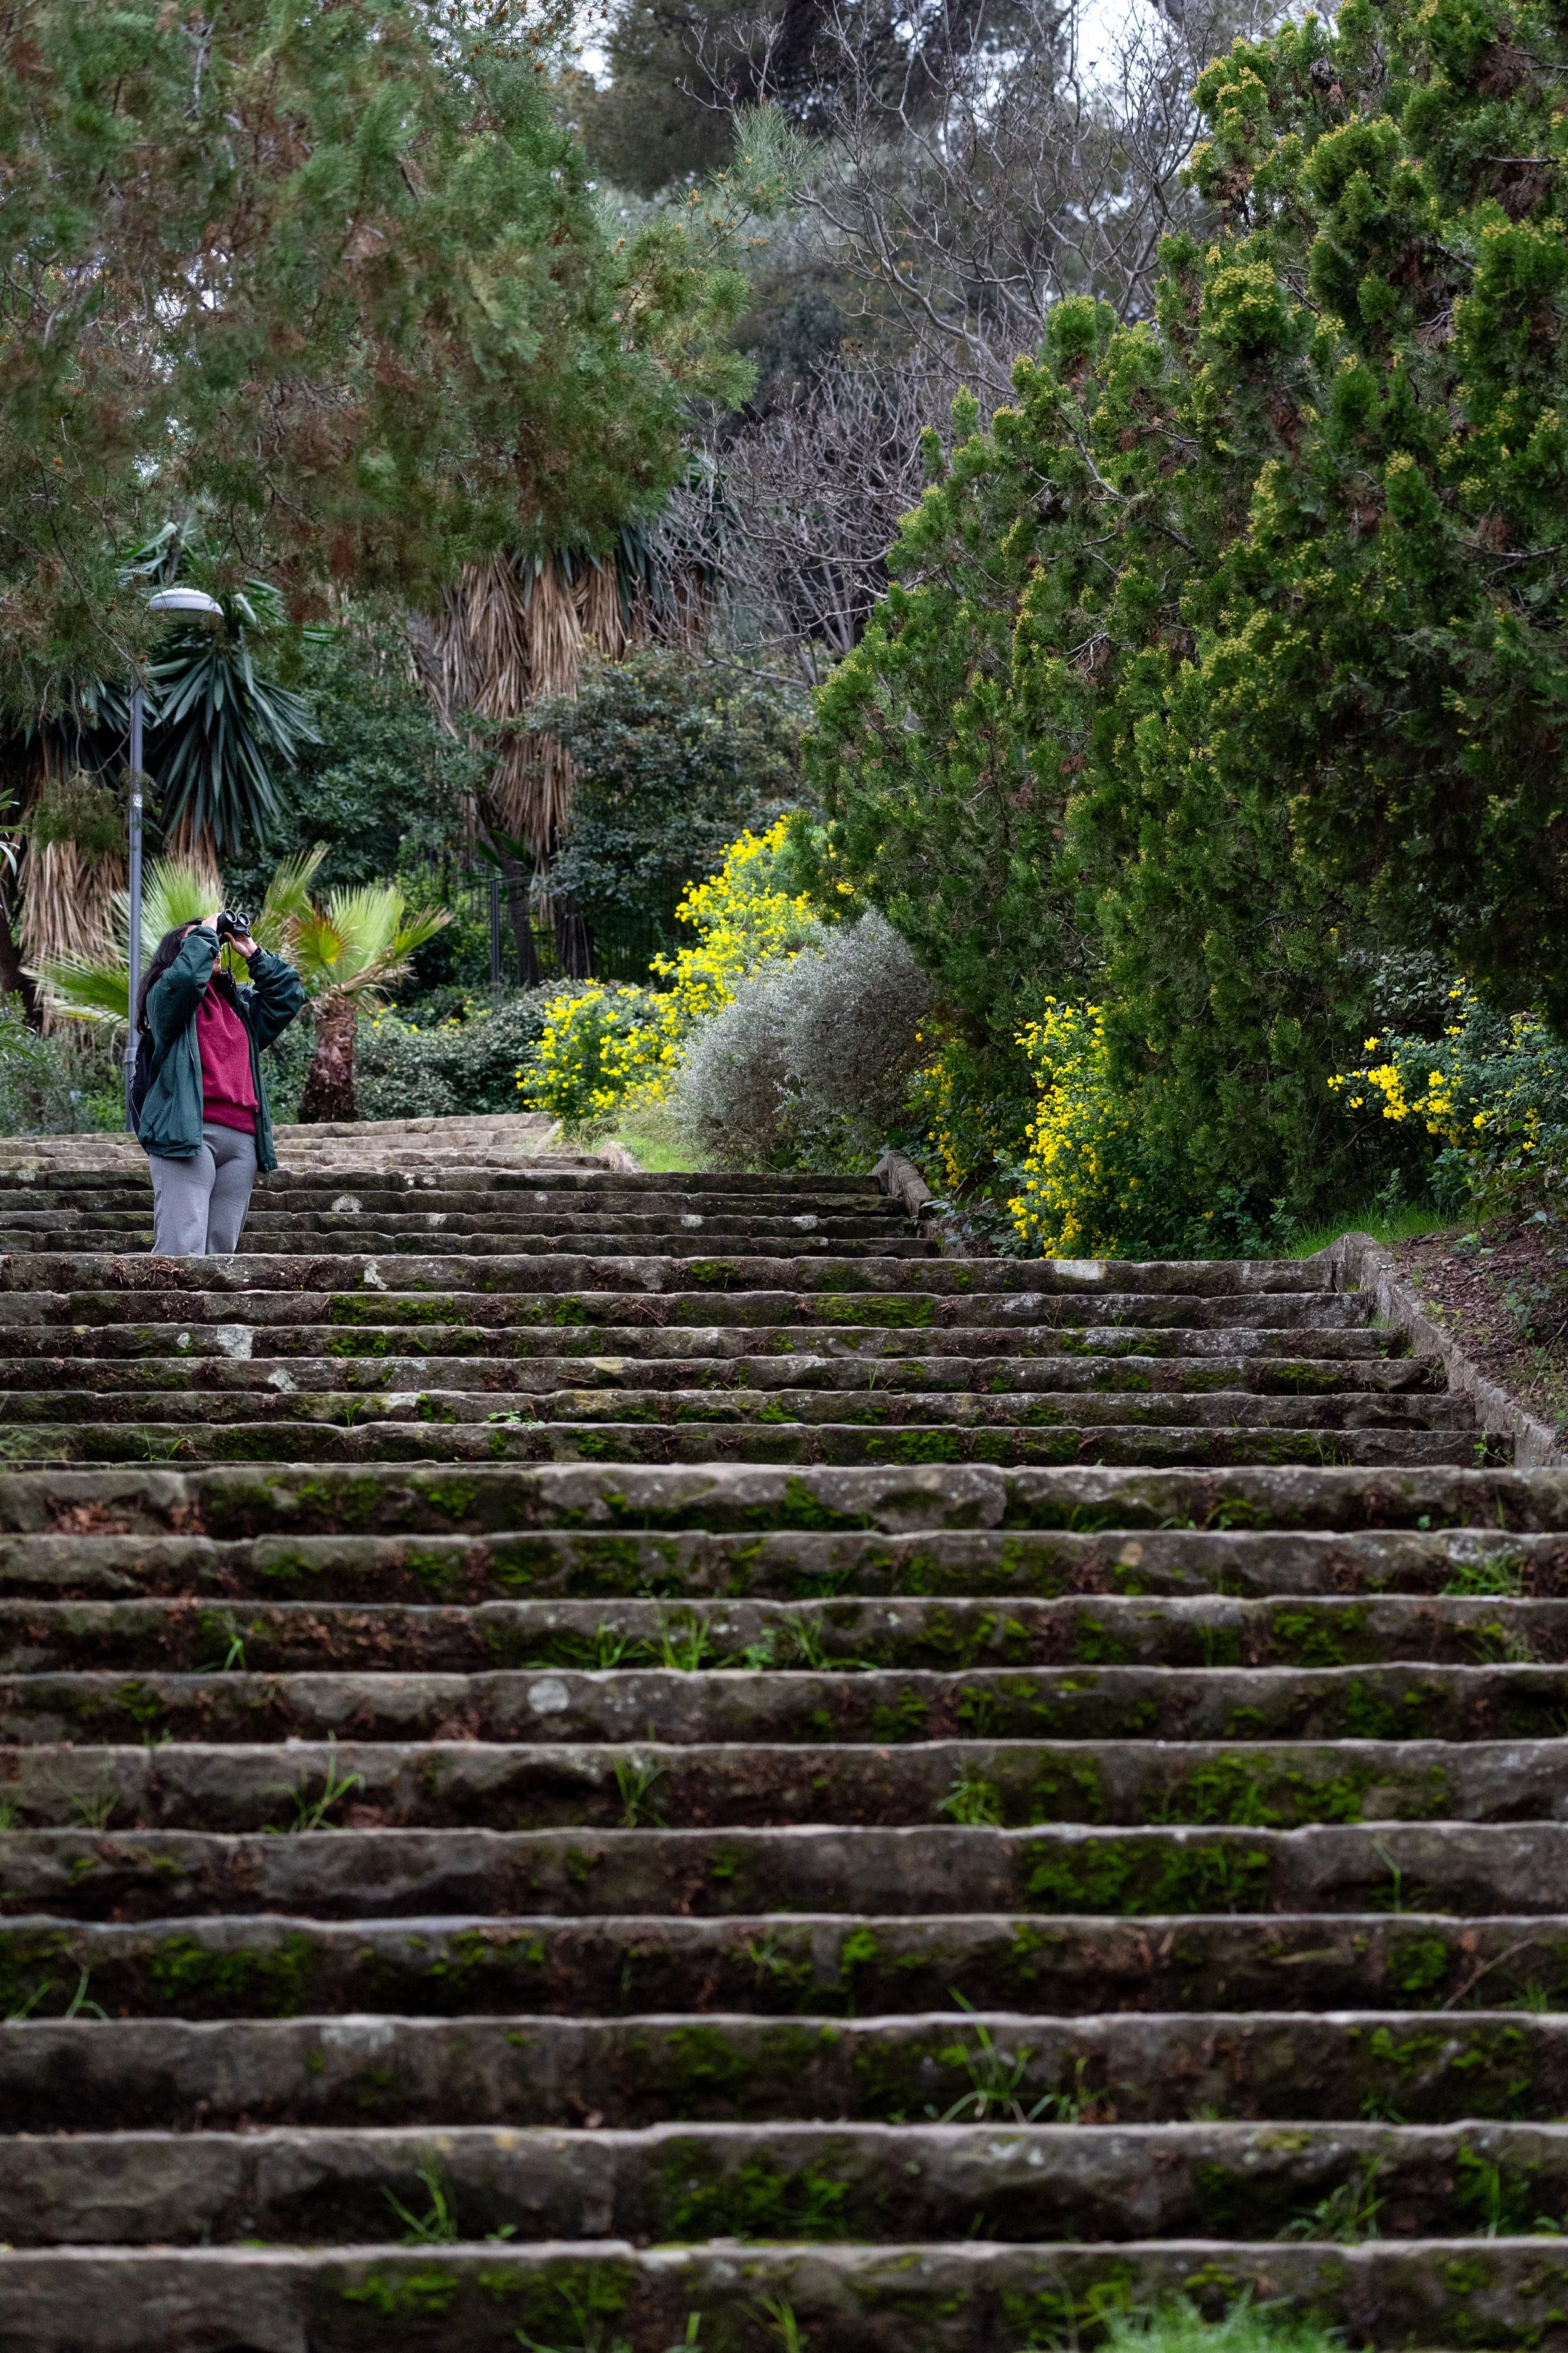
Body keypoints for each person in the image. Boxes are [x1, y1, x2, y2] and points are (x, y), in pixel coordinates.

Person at [137, 913, 305, 1256]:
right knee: (181, 1248)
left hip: (242, 1142)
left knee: (221, 1254)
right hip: (188, 1132)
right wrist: (207, 930)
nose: (213, 946)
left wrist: (253, 952)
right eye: (199, 940)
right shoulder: (166, 999)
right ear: (178, 954)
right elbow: (183, 981)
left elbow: (288, 994)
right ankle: (171, 1312)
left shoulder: (240, 1007)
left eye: (215, 940)